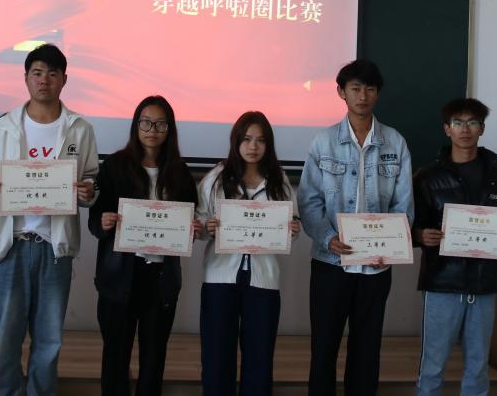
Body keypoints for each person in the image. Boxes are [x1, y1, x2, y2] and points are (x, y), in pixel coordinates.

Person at [0, 44, 99, 396]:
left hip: (54, 247)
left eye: (52, 73)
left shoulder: (80, 128)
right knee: (5, 338)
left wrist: (89, 191)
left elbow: (92, 178)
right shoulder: (4, 125)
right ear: (26, 78)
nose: (44, 80)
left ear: (64, 79)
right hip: (10, 245)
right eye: (37, 72)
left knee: (49, 340)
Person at [297, 59, 413, 396]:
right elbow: (309, 201)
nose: (363, 96)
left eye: (370, 89)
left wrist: (390, 248)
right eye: (355, 88)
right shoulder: (323, 142)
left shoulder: (395, 142)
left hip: (376, 267)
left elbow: (404, 205)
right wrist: (328, 237)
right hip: (330, 264)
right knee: (324, 348)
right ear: (341, 92)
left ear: (378, 93)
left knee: (366, 351)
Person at [411, 97, 497, 396]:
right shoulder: (427, 178)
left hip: (484, 282)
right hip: (442, 282)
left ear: (482, 128)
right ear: (447, 129)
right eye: (458, 123)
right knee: (432, 365)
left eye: (472, 122)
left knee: (477, 366)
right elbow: (411, 227)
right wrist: (421, 235)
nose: (465, 129)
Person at [88, 95, 200, 396]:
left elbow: (190, 221)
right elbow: (94, 220)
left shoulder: (180, 172)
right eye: (146, 122)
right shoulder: (115, 165)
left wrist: (191, 230)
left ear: (170, 129)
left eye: (161, 124)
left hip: (160, 279)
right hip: (119, 276)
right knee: (115, 359)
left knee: (153, 360)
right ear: (136, 125)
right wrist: (104, 221)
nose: (153, 129)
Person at [198, 111, 301, 396]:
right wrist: (207, 227)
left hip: (263, 279)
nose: (253, 146)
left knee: (260, 356)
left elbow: (293, 224)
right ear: (236, 141)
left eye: (260, 140)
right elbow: (198, 221)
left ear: (268, 144)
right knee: (217, 354)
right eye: (246, 139)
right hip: (220, 277)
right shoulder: (217, 177)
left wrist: (293, 229)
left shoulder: (279, 179)